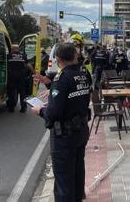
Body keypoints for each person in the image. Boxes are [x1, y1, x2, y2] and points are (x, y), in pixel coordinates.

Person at [31, 43, 91, 202]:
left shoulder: (62, 79)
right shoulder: (84, 74)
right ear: (75, 56)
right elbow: (73, 93)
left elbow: (53, 113)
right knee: (78, 172)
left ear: (57, 59)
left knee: (64, 182)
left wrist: (40, 111)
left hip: (65, 136)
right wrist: (49, 83)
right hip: (81, 131)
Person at [7, 44, 33, 113]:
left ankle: (11, 108)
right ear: (18, 49)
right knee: (22, 93)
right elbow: (28, 65)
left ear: (12, 49)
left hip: (11, 77)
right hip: (21, 77)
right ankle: (23, 107)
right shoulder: (23, 56)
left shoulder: (8, 56)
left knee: (11, 92)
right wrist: (34, 72)